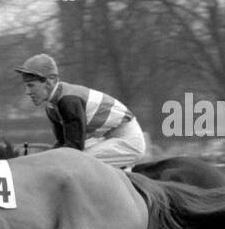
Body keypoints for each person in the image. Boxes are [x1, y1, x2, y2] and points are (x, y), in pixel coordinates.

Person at [16, 54, 145, 168]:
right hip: (107, 138)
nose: (28, 92)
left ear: (49, 82)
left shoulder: (69, 101)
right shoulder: (51, 106)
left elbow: (74, 150)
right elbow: (62, 144)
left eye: (31, 85)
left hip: (128, 140)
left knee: (79, 164)